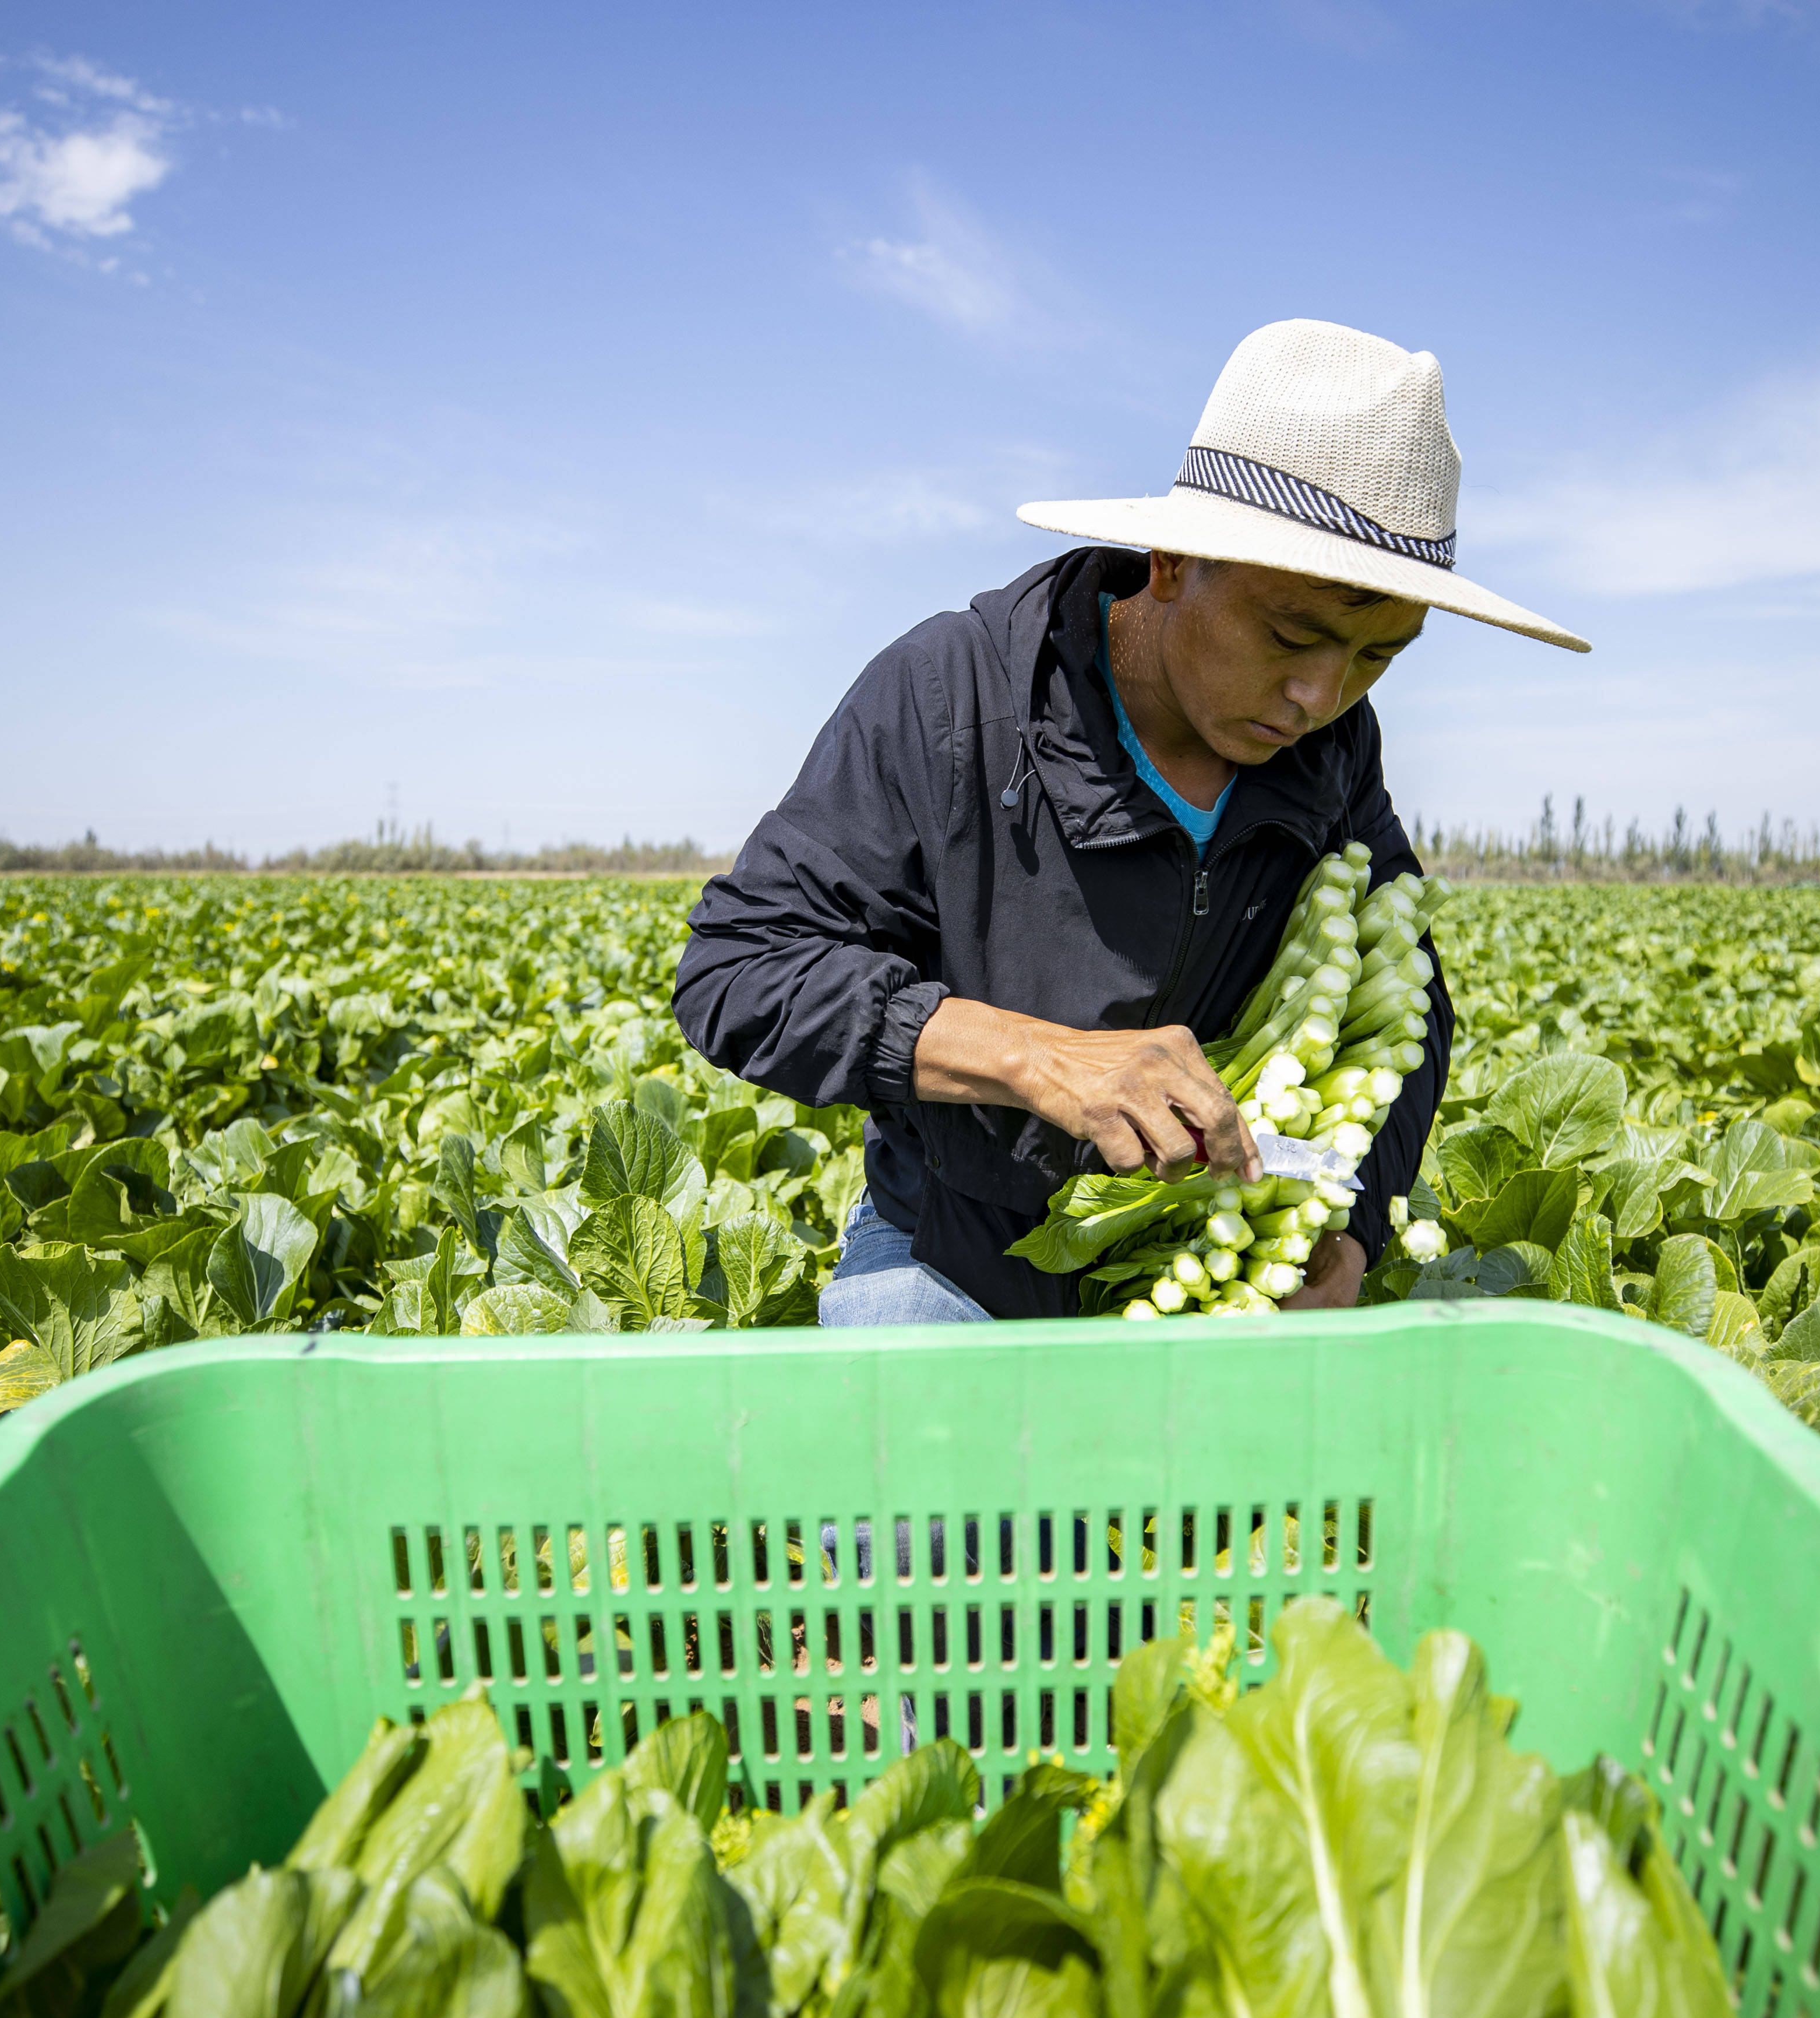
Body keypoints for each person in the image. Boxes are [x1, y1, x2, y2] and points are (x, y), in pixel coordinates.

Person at [673, 319, 1588, 1325]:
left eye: (1377, 656)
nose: (1317, 695)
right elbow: (741, 968)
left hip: (1203, 1257)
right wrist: (1035, 1058)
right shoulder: (952, 695)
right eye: (1292, 633)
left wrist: (1356, 1226)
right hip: (953, 1254)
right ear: (1171, 562)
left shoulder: (1332, 752)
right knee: (925, 1464)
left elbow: (1412, 1003)